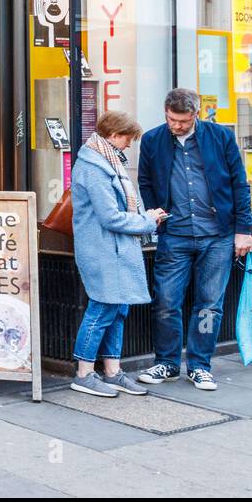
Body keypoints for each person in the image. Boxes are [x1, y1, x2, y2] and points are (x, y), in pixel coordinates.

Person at [136, 88, 252, 390]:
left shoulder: (220, 137)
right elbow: (146, 181)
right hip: (174, 234)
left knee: (209, 305)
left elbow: (240, 184)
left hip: (217, 235)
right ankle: (167, 362)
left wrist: (244, 231)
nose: (177, 126)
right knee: (165, 301)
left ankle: (200, 364)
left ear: (196, 115)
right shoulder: (152, 139)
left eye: (183, 121)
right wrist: (155, 213)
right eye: (172, 120)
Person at [68, 111, 167, 397]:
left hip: (116, 249)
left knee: (118, 309)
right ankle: (84, 373)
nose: (129, 145)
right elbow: (110, 217)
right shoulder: (93, 167)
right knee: (101, 309)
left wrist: (145, 217)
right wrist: (147, 221)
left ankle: (112, 371)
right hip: (103, 250)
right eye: (128, 139)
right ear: (113, 135)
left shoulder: (108, 161)